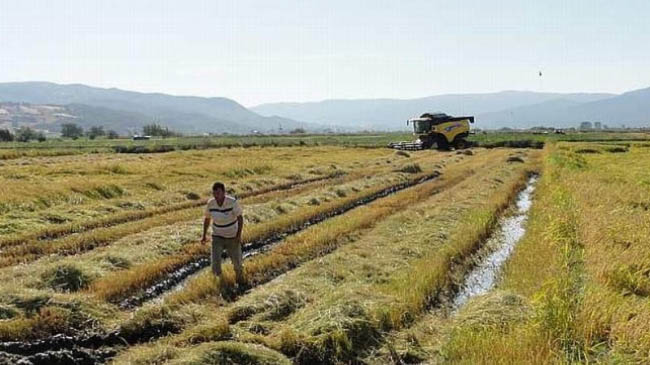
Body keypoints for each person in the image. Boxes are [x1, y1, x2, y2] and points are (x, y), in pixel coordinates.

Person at [201, 181, 246, 286]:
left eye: (219, 193)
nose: (217, 196)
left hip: (232, 236)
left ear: (224, 192)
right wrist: (204, 235)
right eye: (215, 193)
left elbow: (240, 218)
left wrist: (238, 235)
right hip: (217, 236)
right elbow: (207, 219)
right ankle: (220, 285)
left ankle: (241, 282)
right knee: (215, 264)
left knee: (237, 263)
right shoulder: (211, 204)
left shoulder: (232, 202)